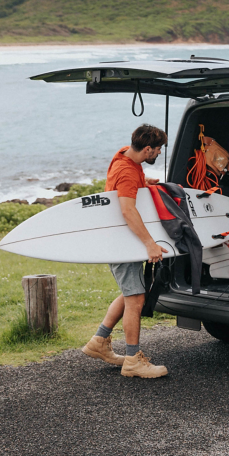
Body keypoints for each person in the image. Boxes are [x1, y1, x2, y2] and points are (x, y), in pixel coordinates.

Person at [81, 124, 170, 378]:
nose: (159, 154)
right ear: (148, 149)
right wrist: (150, 244)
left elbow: (127, 185)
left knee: (132, 292)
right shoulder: (128, 172)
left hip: (121, 239)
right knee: (136, 300)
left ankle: (99, 342)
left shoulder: (124, 154)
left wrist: (144, 182)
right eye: (158, 150)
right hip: (123, 241)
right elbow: (127, 210)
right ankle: (133, 360)